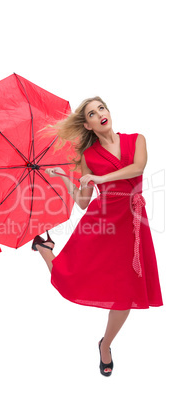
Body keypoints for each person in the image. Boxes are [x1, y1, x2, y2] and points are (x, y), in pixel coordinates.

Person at [31, 96, 163, 376]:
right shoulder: (87, 157)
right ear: (88, 125)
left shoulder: (136, 139)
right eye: (92, 113)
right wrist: (65, 178)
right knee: (71, 274)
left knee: (126, 295)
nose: (100, 114)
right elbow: (82, 201)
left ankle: (105, 344)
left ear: (108, 111)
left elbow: (137, 169)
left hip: (133, 221)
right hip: (103, 221)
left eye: (101, 108)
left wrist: (101, 179)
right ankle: (45, 249)